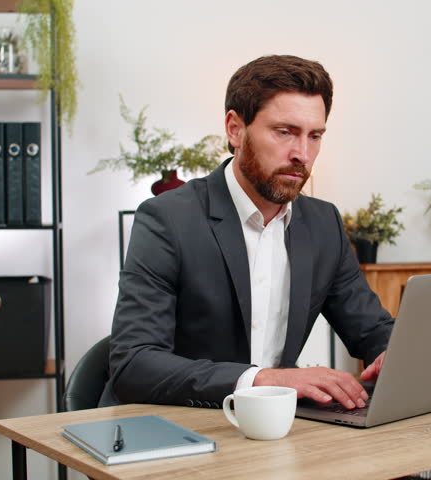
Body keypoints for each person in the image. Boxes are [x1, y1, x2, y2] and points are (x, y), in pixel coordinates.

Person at [99, 55, 394, 410]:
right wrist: (266, 379)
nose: (302, 154)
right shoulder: (167, 219)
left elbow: (373, 330)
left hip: (273, 426)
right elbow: (134, 364)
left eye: (314, 136)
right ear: (235, 129)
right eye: (284, 132)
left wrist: (393, 354)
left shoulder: (323, 223)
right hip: (174, 423)